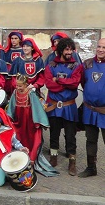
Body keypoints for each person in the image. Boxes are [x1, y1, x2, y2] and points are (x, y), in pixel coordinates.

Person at [43, 37, 83, 175]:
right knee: (54, 133)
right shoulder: (51, 66)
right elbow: (49, 84)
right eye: (66, 49)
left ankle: (72, 160)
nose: (69, 52)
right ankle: (53, 156)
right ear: (61, 50)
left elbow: (74, 83)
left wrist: (59, 80)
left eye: (71, 49)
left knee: (71, 135)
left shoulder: (77, 66)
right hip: (55, 106)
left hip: (69, 107)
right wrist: (65, 84)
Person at [6, 74, 58, 177]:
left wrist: (38, 121)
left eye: (20, 86)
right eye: (17, 85)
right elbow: (11, 106)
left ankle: (31, 159)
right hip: (19, 121)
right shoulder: (15, 93)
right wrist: (9, 118)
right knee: (19, 138)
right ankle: (20, 159)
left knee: (32, 140)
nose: (18, 88)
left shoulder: (31, 93)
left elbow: (37, 108)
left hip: (30, 121)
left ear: (26, 85)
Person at [78, 38, 105, 178]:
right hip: (89, 110)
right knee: (90, 140)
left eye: (104, 47)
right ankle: (91, 168)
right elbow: (83, 82)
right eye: (99, 46)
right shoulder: (87, 64)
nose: (100, 50)